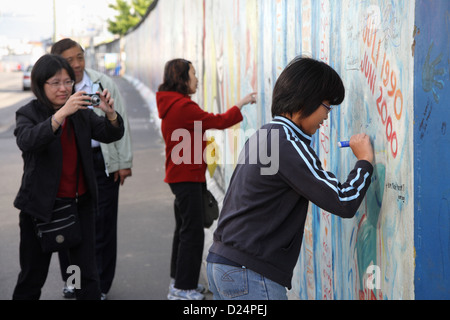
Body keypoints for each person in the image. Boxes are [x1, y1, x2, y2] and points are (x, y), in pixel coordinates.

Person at [206, 56, 374, 300]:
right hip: (249, 274)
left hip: (224, 264)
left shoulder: (264, 135)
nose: (326, 118)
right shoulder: (288, 144)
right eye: (326, 106)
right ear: (305, 102)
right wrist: (364, 162)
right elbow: (343, 200)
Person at [12, 54, 124, 300]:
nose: (63, 88)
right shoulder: (28, 113)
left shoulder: (81, 112)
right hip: (40, 209)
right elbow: (27, 141)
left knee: (85, 276)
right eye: (55, 82)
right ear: (40, 85)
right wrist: (61, 114)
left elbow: (109, 134)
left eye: (68, 82)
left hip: (79, 206)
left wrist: (111, 114)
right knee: (32, 276)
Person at [157, 58, 257, 300]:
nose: (197, 78)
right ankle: (182, 289)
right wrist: (242, 103)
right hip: (186, 178)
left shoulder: (173, 104)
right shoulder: (183, 107)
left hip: (182, 176)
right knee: (192, 233)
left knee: (184, 231)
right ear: (182, 78)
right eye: (193, 73)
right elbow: (219, 121)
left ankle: (179, 282)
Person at [51, 39, 133, 300]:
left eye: (80, 57)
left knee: (104, 225)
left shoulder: (102, 83)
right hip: (69, 166)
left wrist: (123, 163)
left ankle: (100, 285)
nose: (76, 64)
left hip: (102, 161)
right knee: (69, 227)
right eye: (69, 59)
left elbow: (120, 121)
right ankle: (73, 282)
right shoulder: (55, 88)